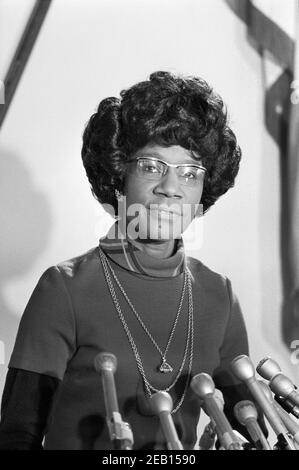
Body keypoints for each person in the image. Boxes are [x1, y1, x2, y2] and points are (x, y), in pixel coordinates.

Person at [0, 71, 252, 450]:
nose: (170, 189)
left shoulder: (220, 295)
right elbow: (16, 435)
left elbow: (248, 429)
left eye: (190, 173)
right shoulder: (64, 288)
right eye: (152, 166)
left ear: (205, 188)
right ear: (119, 175)